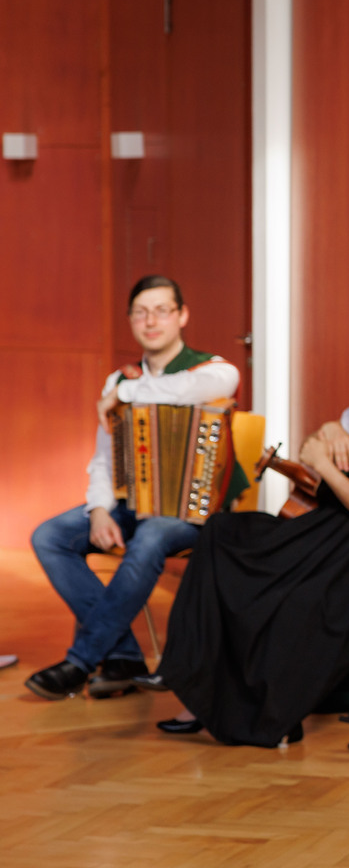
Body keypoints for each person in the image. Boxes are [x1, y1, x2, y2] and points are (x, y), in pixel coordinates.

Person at [149, 318, 349, 747]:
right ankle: (191, 678)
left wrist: (322, 463)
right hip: (330, 531)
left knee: (258, 578)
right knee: (222, 530)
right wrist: (329, 431)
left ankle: (228, 701)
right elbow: (316, 451)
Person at [27, 276, 242, 701]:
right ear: (130, 320)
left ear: (182, 316)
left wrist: (126, 392)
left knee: (151, 536)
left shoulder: (212, 369)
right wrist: (99, 510)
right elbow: (105, 458)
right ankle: (123, 655)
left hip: (190, 511)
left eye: (162, 310)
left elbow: (197, 388)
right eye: (141, 313)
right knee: (49, 536)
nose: (151, 321)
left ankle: (82, 660)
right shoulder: (119, 379)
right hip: (133, 503)